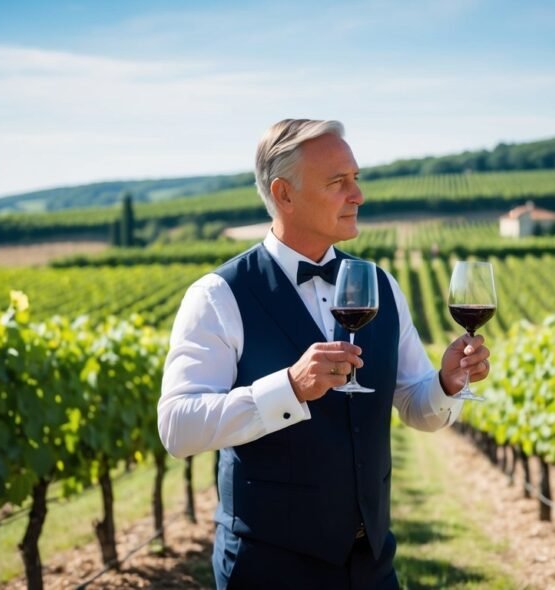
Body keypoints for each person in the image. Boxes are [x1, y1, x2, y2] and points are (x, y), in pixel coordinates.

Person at [158, 119, 491, 589]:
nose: (358, 195)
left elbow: (419, 409)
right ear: (284, 194)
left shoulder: (382, 286)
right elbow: (177, 428)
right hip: (266, 568)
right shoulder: (218, 296)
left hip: (372, 564)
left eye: (356, 178)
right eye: (338, 182)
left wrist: (446, 384)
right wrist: (289, 388)